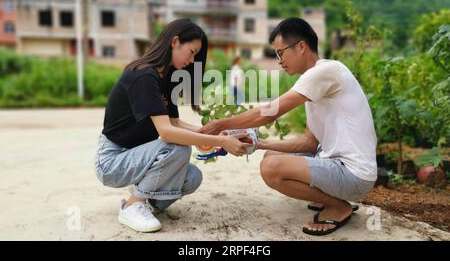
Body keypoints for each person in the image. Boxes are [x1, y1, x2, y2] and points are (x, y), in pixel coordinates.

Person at [200, 18, 377, 236]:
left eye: (280, 52)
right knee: (270, 157)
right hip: (337, 165)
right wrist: (259, 144)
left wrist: (221, 124)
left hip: (354, 175)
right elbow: (309, 143)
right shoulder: (315, 84)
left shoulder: (325, 71)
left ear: (301, 46)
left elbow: (269, 112)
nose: (279, 61)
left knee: (271, 169)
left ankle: (339, 207)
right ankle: (331, 199)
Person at [95, 19, 250, 233]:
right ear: (175, 42)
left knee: (192, 177)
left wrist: (213, 133)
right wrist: (220, 141)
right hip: (113, 160)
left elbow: (174, 122)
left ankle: (145, 201)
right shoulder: (143, 75)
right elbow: (167, 132)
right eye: (192, 51)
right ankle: (132, 205)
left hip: (139, 156)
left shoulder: (165, 77)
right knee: (176, 146)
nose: (193, 59)